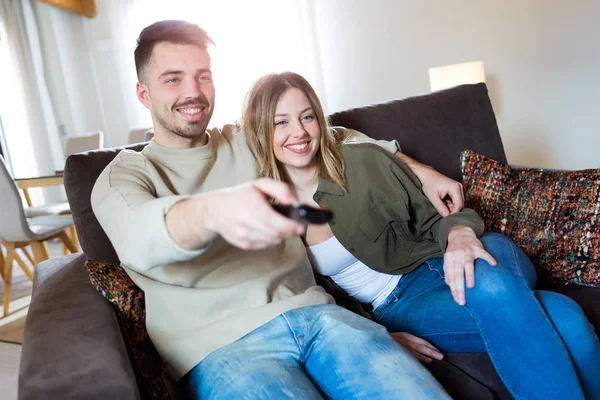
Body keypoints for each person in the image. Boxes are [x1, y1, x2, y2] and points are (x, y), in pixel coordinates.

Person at [91, 20, 459, 399]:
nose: (193, 92)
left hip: (323, 319)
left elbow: (331, 137)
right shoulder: (123, 177)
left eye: (203, 76)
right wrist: (215, 211)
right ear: (143, 93)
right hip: (222, 350)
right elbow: (141, 237)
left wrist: (421, 172)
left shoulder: (246, 140)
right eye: (173, 79)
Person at [242, 71, 600, 400]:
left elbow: (441, 213)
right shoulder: (269, 213)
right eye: (281, 122)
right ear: (261, 132)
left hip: (455, 252)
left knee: (489, 282)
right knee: (567, 319)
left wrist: (459, 232)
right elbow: (310, 299)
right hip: (402, 305)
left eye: (307, 116)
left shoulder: (363, 160)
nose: (299, 132)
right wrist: (372, 333)